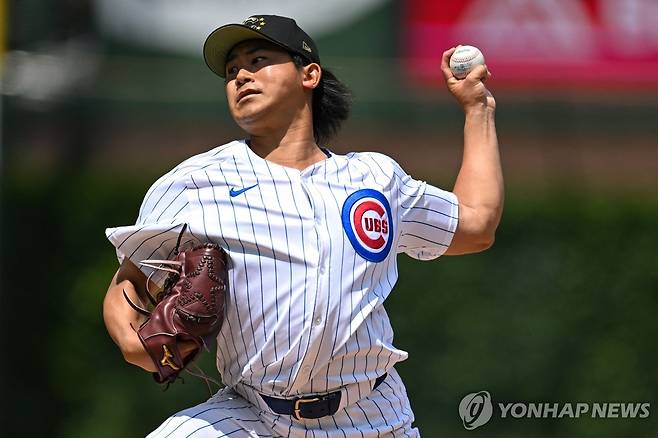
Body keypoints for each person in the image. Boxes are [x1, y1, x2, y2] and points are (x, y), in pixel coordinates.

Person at [103, 14, 503, 437]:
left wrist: (478, 107)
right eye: (232, 70)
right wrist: (134, 342)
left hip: (373, 414)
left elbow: (476, 225)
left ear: (309, 74)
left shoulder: (375, 178)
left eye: (257, 60)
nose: (241, 75)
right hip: (252, 414)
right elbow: (127, 282)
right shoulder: (193, 183)